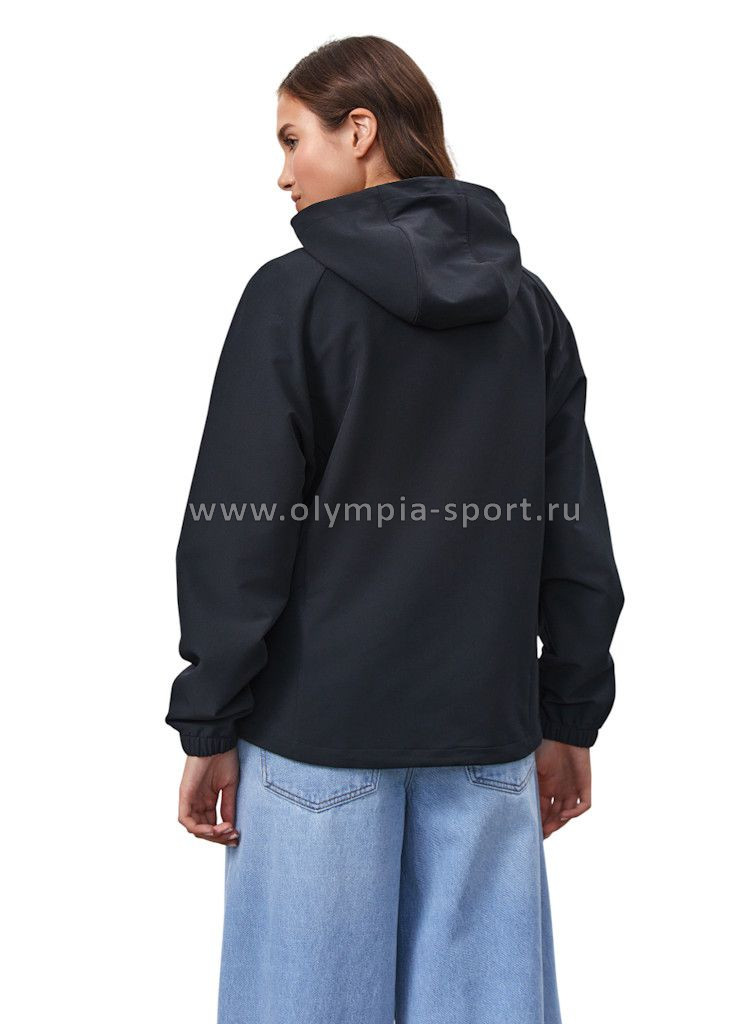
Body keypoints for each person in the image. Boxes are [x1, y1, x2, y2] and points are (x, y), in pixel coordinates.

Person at [166, 35, 624, 1024]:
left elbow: (238, 535)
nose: (281, 172)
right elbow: (575, 534)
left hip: (315, 737)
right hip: (486, 734)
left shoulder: (292, 299)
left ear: (360, 130)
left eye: (293, 138)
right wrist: (568, 712)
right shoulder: (527, 310)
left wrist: (209, 720)